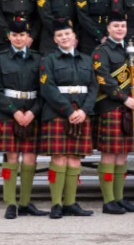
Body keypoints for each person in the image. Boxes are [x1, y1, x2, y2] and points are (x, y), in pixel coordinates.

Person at [39, 21, 97, 219]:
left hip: (81, 112)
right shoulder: (48, 60)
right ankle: (56, 203)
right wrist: (68, 111)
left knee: (74, 158)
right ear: (55, 40)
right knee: (59, 157)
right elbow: (48, 88)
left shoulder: (87, 60)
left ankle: (71, 203)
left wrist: (84, 110)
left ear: (75, 37)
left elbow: (93, 88)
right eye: (60, 35)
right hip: (57, 113)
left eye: (67, 34)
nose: (64, 38)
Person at [0, 19, 46, 219]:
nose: (19, 39)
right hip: (8, 113)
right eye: (15, 35)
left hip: (32, 112)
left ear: (27, 37)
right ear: (9, 37)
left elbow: (44, 90)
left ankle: (25, 202)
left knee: (30, 158)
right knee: (11, 157)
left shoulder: (39, 59)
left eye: (22, 35)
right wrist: (14, 112)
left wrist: (32, 112)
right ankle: (10, 203)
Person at [92, 13, 134, 215]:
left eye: (122, 25)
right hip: (110, 106)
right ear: (108, 29)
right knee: (109, 154)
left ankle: (119, 198)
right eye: (116, 26)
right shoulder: (101, 51)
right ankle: (108, 200)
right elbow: (104, 79)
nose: (120, 29)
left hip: (130, 108)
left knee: (122, 154)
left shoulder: (131, 50)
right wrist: (125, 98)